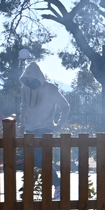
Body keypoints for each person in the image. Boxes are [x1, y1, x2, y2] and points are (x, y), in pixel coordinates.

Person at [19, 62, 70, 199]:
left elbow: (65, 107)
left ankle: (58, 186)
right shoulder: (25, 88)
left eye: (32, 77)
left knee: (43, 160)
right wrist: (22, 126)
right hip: (30, 129)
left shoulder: (50, 89)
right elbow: (24, 107)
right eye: (27, 77)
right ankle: (31, 191)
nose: (29, 80)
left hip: (45, 129)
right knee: (31, 161)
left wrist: (59, 125)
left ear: (38, 76)